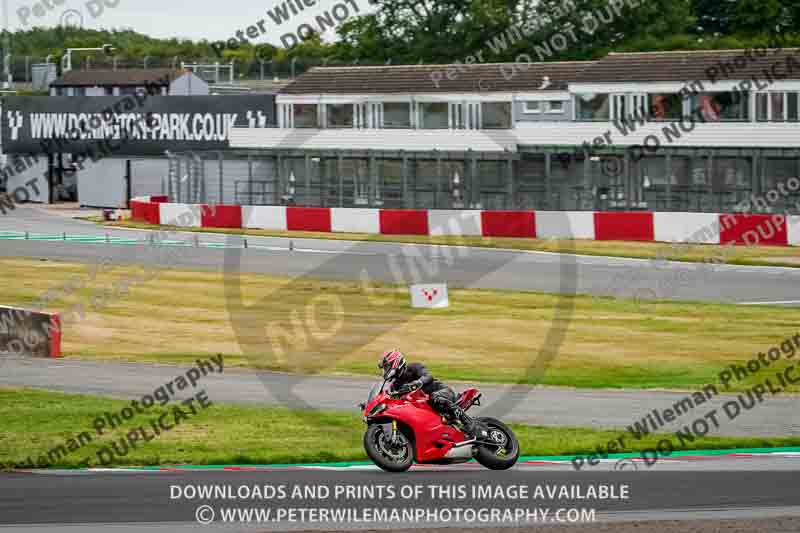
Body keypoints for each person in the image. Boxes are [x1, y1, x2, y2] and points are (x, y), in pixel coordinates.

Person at [378, 349, 486, 438]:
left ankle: (469, 423)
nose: (385, 371)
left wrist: (418, 382)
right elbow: (392, 398)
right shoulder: (395, 385)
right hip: (424, 405)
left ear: (395, 363)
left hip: (441, 392)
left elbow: (428, 376)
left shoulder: (414, 367)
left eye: (387, 367)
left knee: (435, 397)